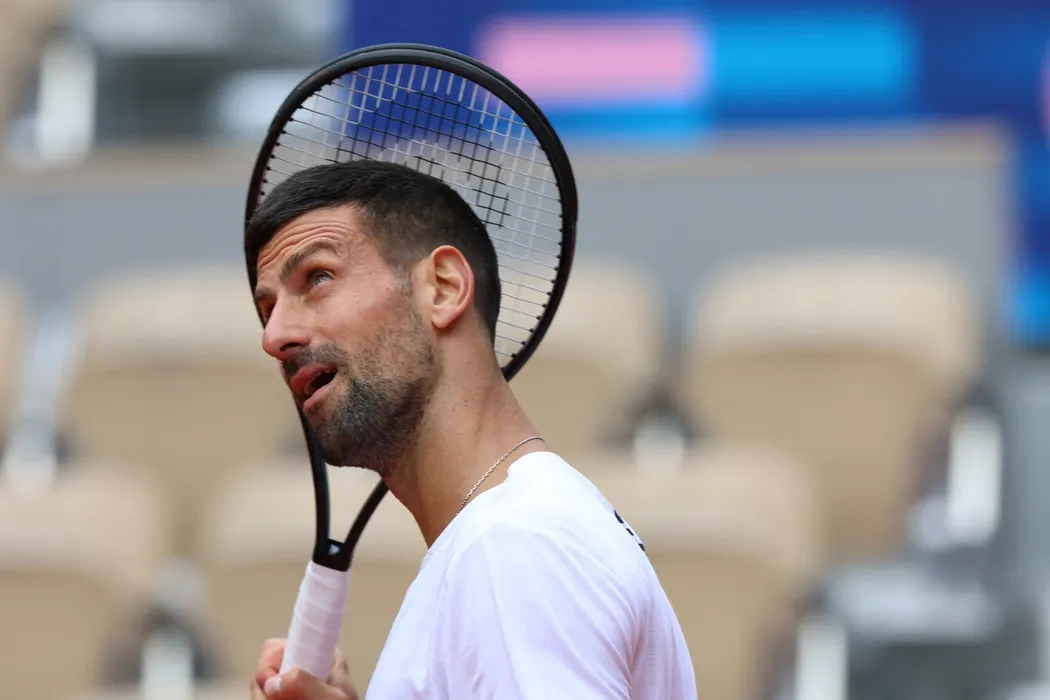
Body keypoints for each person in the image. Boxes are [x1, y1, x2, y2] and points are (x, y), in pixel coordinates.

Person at [245, 160, 697, 700]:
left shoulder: (511, 547)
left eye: (318, 278)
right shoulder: (514, 533)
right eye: (267, 309)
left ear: (443, 287)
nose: (274, 337)